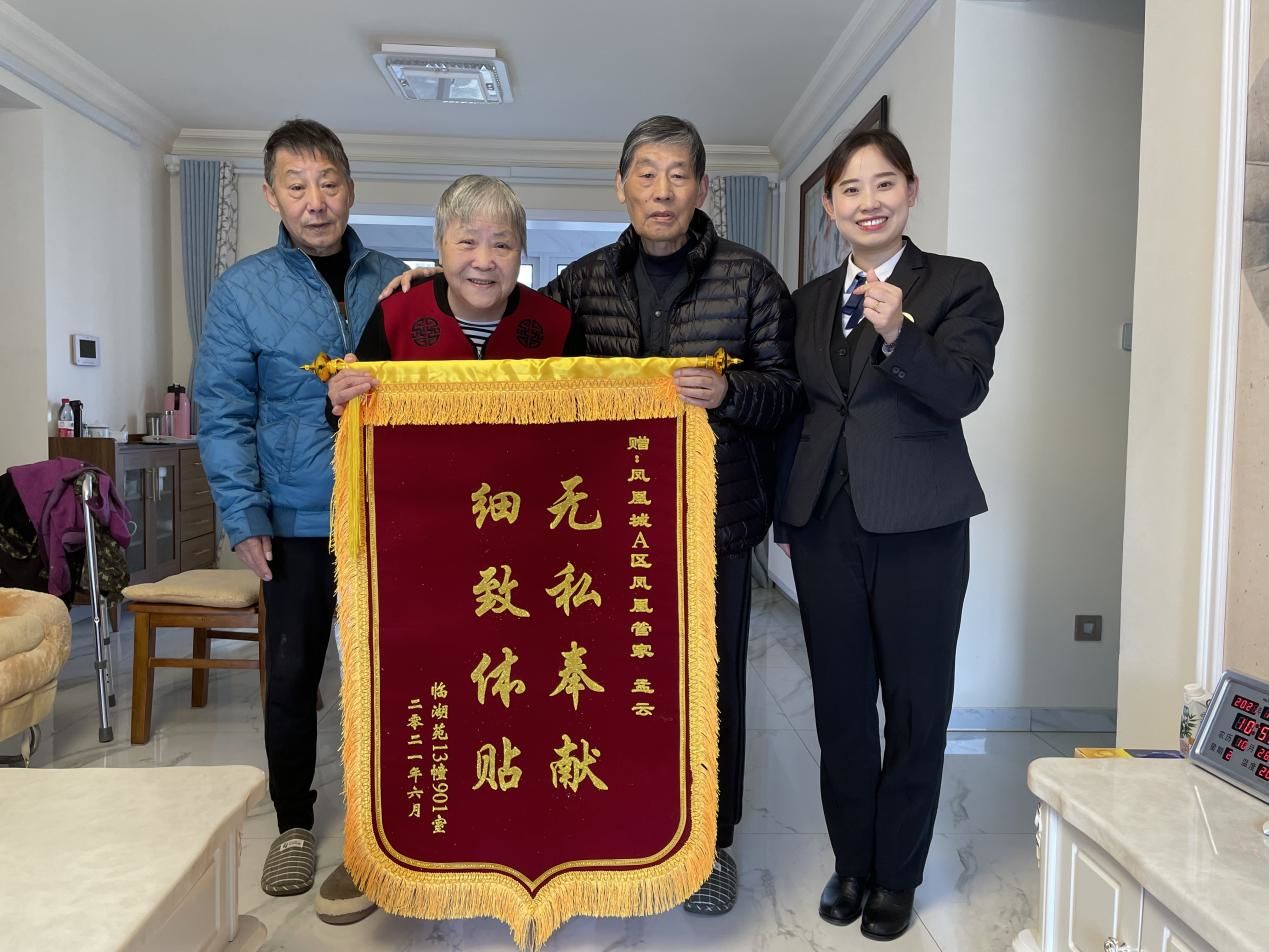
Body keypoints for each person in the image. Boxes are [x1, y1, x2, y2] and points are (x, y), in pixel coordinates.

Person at [382, 116, 798, 916]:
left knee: (710, 687)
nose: (661, 191)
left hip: (712, 523)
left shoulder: (749, 278)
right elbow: (514, 337)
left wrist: (730, 391)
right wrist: (429, 288)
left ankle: (712, 842)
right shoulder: (583, 281)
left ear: (701, 188)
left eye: (678, 175)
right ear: (621, 186)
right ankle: (627, 822)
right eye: (646, 174)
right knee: (614, 684)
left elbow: (785, 391)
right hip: (605, 530)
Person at [774, 128, 1004, 940]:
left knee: (914, 705)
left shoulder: (960, 284)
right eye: (850, 189)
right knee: (839, 705)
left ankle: (897, 876)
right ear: (830, 205)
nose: (867, 202)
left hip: (921, 527)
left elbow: (963, 390)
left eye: (883, 185)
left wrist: (903, 334)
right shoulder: (806, 302)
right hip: (824, 528)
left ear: (910, 192)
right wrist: (789, 515)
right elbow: (800, 414)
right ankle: (851, 864)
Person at [194, 118, 406, 924]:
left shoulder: (396, 281)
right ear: (270, 195)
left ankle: (388, 817)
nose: (315, 202)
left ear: (350, 188)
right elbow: (222, 411)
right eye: (296, 186)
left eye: (328, 183)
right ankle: (292, 822)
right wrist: (243, 512)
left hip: (392, 516)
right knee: (291, 675)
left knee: (390, 674)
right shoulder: (242, 290)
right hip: (294, 517)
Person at [327, 174, 584, 419]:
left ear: (521, 252)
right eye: (467, 242)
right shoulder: (395, 315)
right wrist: (340, 397)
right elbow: (348, 419)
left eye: (502, 245)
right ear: (440, 245)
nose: (484, 262)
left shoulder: (558, 324)